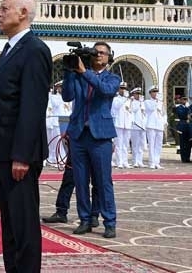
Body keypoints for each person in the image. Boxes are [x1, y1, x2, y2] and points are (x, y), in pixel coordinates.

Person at [0, 0, 52, 272]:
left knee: (23, 225)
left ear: (23, 13)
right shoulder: (10, 49)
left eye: (4, 8)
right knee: (10, 223)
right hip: (0, 151)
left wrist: (22, 154)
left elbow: (32, 105)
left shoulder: (35, 50)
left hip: (17, 155)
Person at [62, 41, 120, 239]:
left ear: (108, 57)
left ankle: (109, 221)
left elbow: (105, 91)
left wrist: (84, 72)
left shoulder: (112, 78)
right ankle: (85, 219)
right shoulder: (79, 75)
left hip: (100, 136)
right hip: (79, 134)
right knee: (80, 180)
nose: (98, 55)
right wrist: (70, 72)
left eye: (102, 53)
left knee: (103, 181)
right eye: (95, 52)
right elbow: (67, 96)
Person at [143, 86, 166, 169]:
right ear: (150, 93)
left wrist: (164, 121)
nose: (155, 93)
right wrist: (157, 101)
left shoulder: (160, 102)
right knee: (152, 144)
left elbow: (163, 113)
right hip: (151, 125)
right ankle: (151, 162)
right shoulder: (147, 102)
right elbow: (151, 109)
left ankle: (157, 162)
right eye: (153, 92)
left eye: (156, 92)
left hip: (159, 125)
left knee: (158, 145)